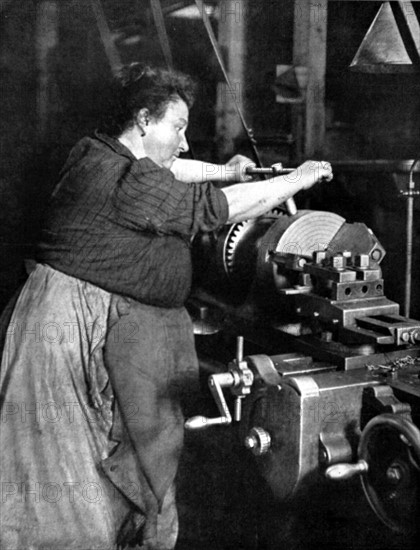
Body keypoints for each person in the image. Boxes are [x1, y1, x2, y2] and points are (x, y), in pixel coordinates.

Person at [0, 63, 332, 550]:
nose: (183, 141)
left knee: (93, 475)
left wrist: (229, 171)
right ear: (143, 121)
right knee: (59, 484)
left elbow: (176, 171)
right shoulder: (121, 178)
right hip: (63, 335)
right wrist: (296, 181)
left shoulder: (99, 153)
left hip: (77, 322)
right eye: (177, 127)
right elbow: (217, 209)